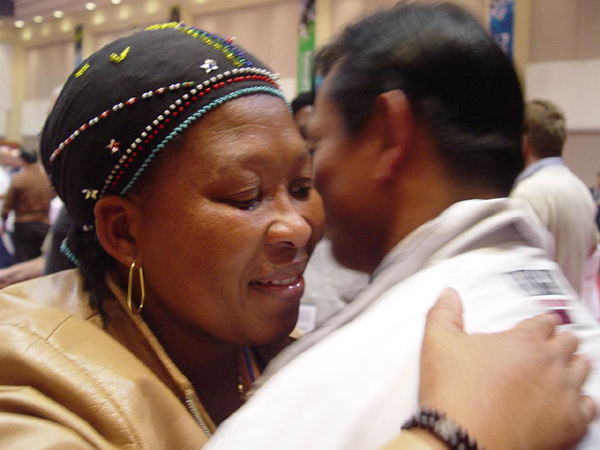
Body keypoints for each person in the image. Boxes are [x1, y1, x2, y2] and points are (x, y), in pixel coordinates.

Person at [0, 20, 594, 450]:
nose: (298, 226)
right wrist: (454, 433)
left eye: (304, 185)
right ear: (124, 230)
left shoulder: (288, 353)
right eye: (245, 196)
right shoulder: (32, 380)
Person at [204, 4, 600, 450]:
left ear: (390, 135)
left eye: (318, 144)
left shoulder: (325, 393)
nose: (301, 211)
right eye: (247, 197)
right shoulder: (575, 325)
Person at [511, 100, 599, 297]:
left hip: (539, 312)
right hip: (573, 309)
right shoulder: (580, 188)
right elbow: (592, 248)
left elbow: (517, 270)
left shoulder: (528, 193)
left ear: (524, 143)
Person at [1, 148, 53, 263]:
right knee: (39, 262)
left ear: (22, 160)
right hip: (44, 223)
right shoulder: (46, 178)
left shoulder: (19, 179)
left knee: (23, 262)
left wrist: (3, 221)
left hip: (23, 224)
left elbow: (8, 204)